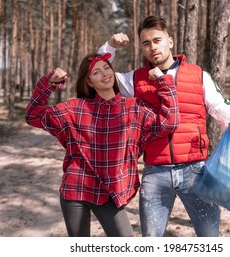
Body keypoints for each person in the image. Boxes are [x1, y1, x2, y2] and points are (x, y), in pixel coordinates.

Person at [98, 15, 230, 237]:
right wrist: (110, 47)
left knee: (209, 239)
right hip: (155, 173)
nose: (152, 47)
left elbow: (216, 105)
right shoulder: (135, 79)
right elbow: (99, 74)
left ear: (170, 41)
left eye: (157, 40)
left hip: (195, 171)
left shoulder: (197, 74)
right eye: (146, 43)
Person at [25, 52, 179, 237]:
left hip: (110, 194)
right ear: (89, 82)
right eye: (97, 72)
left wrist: (163, 82)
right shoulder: (74, 108)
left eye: (107, 68)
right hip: (76, 190)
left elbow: (169, 122)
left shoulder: (134, 108)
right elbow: (33, 115)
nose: (105, 73)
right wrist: (48, 83)